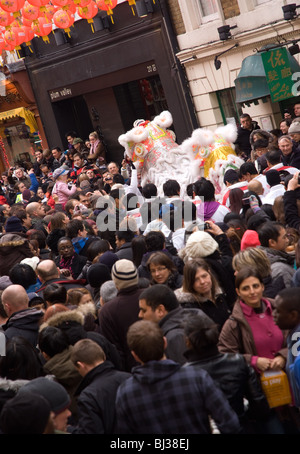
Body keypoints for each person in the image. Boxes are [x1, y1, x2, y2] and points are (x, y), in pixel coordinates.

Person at [115, 320, 241, 434]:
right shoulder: (196, 377)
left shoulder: (125, 393)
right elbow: (229, 423)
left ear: (134, 355)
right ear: (165, 343)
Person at [183, 313, 271, 433]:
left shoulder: (184, 374)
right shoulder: (238, 361)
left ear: (187, 342)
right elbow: (259, 402)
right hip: (243, 425)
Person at [218, 267, 287, 374]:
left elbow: (297, 340)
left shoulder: (282, 310)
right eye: (245, 288)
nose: (252, 292)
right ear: (238, 292)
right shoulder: (233, 324)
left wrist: (284, 356)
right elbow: (225, 356)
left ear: (262, 287)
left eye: (255, 286)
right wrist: (253, 361)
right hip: (256, 384)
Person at [68, 338, 131, 434]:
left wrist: (70, 430)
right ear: (103, 357)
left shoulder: (88, 396)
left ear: (81, 365)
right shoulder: (129, 379)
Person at [138, 284, 210, 365]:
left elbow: (183, 373)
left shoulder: (174, 338)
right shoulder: (196, 315)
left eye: (144, 311)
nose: (140, 315)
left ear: (160, 310)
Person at [98, 259, 144, 371]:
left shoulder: (107, 310)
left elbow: (114, 351)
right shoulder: (152, 295)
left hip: (130, 371)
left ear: (115, 282)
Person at [175, 258, 231, 331]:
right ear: (189, 282)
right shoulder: (189, 308)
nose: (202, 281)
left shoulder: (220, 296)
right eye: (196, 279)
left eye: (204, 276)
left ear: (209, 273)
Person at [257, 220, 295, 288]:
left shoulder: (261, 257)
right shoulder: (280, 269)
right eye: (284, 237)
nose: (287, 240)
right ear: (272, 242)